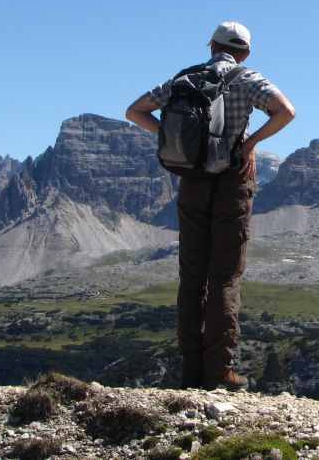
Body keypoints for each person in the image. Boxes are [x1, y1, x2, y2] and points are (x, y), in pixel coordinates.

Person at [126, 21, 296, 390]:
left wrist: (171, 136)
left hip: (192, 180)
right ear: (246, 52)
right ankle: (220, 373)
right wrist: (248, 145)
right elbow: (286, 112)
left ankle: (190, 373)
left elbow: (135, 111)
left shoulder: (184, 79)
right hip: (232, 180)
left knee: (191, 277)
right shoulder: (248, 78)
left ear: (212, 45)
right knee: (224, 275)